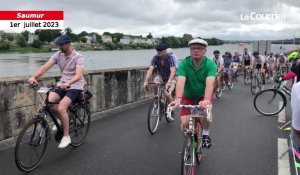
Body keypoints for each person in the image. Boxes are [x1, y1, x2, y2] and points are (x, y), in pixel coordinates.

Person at [28, 34, 85, 148]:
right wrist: (34, 77)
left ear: (68, 44)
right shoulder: (58, 55)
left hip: (75, 86)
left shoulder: (78, 57)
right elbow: (45, 67)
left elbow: (78, 75)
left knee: (61, 107)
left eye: (62, 45)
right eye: (59, 45)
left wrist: (69, 83)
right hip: (62, 84)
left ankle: (66, 136)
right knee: (48, 103)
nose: (60, 47)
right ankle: (61, 120)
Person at [170, 38, 217, 148]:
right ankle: (189, 142)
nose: (196, 51)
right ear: (190, 50)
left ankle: (205, 134)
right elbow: (180, 81)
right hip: (188, 96)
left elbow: (210, 83)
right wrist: (177, 99)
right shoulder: (184, 64)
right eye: (193, 48)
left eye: (199, 48)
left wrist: (206, 100)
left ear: (205, 51)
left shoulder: (210, 65)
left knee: (207, 113)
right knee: (184, 124)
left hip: (202, 96)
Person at [143, 43, 176, 120]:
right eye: (157, 51)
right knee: (155, 84)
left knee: (167, 94)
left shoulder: (170, 58)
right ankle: (156, 99)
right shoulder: (155, 58)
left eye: (160, 51)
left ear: (165, 51)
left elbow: (173, 71)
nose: (158, 52)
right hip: (161, 76)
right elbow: (150, 69)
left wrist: (169, 82)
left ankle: (172, 109)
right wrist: (146, 81)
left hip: (171, 77)